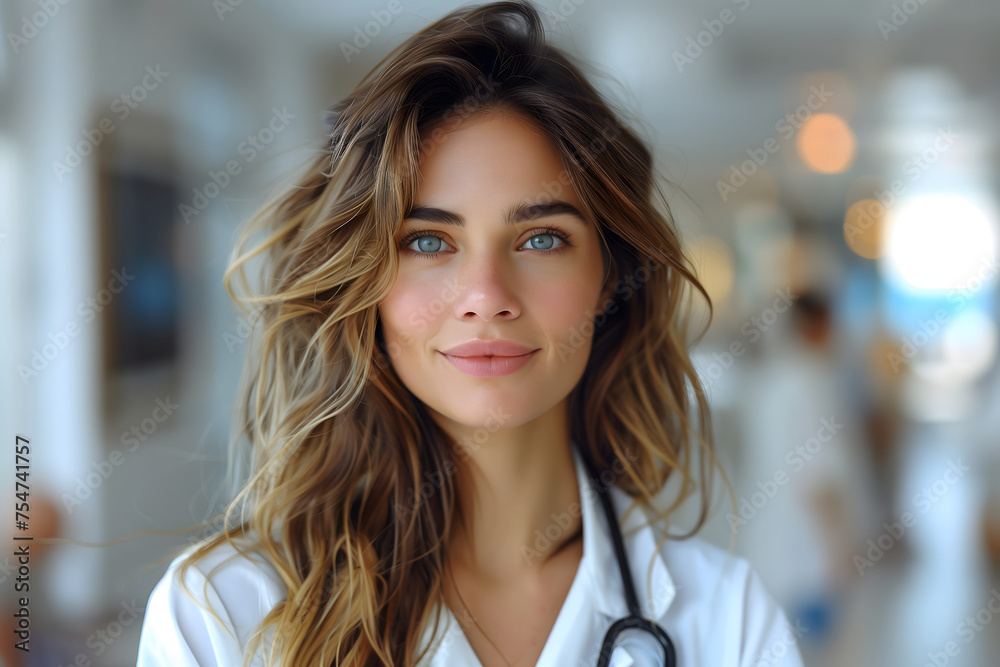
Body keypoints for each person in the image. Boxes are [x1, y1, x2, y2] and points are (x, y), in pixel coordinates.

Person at [135, 2, 805, 665]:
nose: (486, 296)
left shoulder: (726, 619)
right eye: (428, 240)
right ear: (363, 281)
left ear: (610, 277)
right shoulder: (220, 614)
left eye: (542, 238)